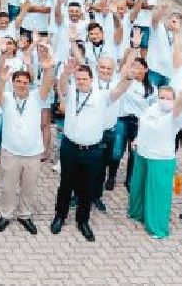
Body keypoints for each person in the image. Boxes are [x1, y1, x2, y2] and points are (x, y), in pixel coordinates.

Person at [52, 56, 131, 241]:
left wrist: (128, 79)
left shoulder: (102, 95)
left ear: (91, 79)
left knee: (87, 187)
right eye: (78, 79)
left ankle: (83, 221)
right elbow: (61, 86)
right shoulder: (71, 90)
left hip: (93, 150)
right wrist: (66, 72)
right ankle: (60, 216)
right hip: (70, 147)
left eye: (84, 79)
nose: (80, 82)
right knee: (65, 184)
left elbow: (118, 91)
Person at [0, 43, 55, 234]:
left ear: (29, 84)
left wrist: (48, 69)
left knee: (28, 188)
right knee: (8, 188)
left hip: (32, 154)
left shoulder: (37, 97)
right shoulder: (7, 97)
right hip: (11, 152)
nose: (21, 85)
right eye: (18, 82)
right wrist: (2, 81)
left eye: (25, 82)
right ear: (13, 83)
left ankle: (25, 215)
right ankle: (6, 214)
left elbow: (46, 85)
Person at [128, 81, 182, 239]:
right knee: (139, 187)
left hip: (161, 158)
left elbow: (178, 108)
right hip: (143, 153)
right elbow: (143, 125)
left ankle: (158, 228)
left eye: (169, 98)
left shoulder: (176, 115)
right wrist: (137, 139)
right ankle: (138, 213)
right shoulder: (152, 108)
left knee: (158, 194)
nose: (164, 100)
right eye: (162, 97)